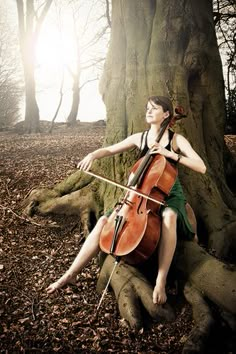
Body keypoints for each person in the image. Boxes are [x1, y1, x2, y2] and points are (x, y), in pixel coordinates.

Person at [46, 96, 206, 305]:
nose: (148, 111)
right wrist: (93, 155)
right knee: (104, 221)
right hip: (139, 194)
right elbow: (111, 149)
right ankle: (70, 274)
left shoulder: (177, 140)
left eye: (154, 108)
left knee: (169, 215)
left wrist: (170, 154)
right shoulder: (139, 137)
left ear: (166, 114)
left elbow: (201, 167)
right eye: (147, 108)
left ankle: (160, 280)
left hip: (168, 193)